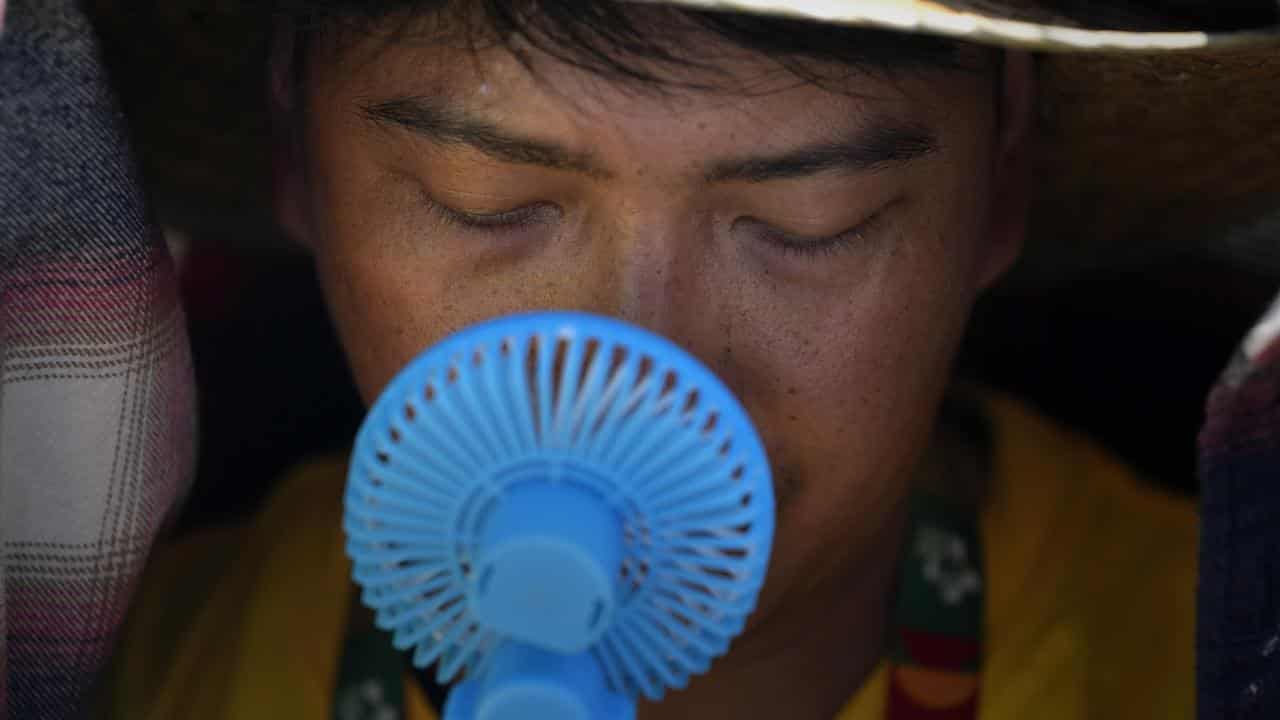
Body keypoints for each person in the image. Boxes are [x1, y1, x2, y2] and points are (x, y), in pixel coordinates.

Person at [79, 1, 1279, 719]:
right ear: (299, 155)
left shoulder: (1213, 664)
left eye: (811, 221)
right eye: (485, 201)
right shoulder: (134, 671)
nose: (640, 368)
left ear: (998, 181)